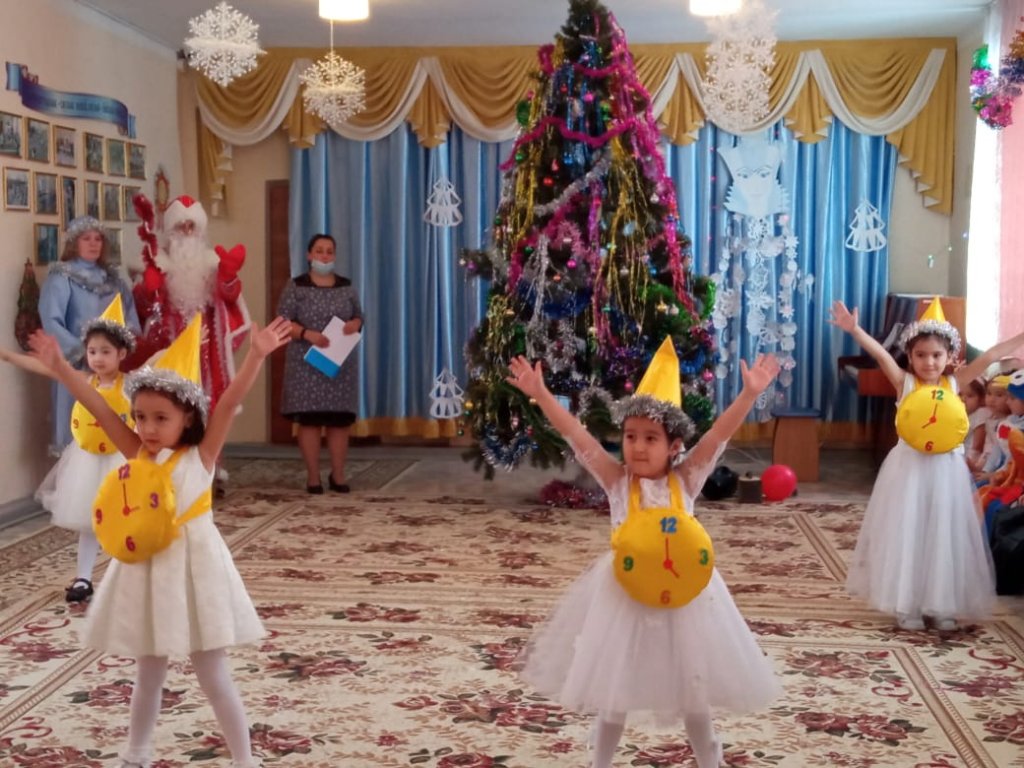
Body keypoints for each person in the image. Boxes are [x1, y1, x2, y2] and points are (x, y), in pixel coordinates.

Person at [28, 312, 291, 768]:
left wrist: (256, 355)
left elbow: (229, 401)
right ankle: (137, 754)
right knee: (148, 673)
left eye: (160, 418)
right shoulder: (135, 450)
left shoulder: (202, 456)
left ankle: (245, 760)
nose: (147, 428)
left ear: (187, 418)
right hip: (148, 573)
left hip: (196, 574)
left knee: (213, 674)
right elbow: (99, 407)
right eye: (140, 417)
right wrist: (62, 369)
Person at [508, 338, 782, 768]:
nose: (637, 446)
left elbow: (717, 436)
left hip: (686, 601)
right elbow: (578, 437)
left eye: (651, 438)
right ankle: (600, 762)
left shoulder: (687, 479)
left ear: (674, 446)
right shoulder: (618, 481)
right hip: (626, 598)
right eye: (630, 436)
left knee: (693, 688)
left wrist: (748, 394)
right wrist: (541, 394)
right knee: (614, 690)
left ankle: (709, 755)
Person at [830, 297, 1024, 631]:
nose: (929, 362)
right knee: (911, 529)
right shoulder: (904, 383)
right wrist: (855, 330)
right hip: (910, 469)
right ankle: (908, 605)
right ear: (910, 356)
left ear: (950, 357)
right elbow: (880, 354)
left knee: (943, 531)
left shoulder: (955, 383)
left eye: (936, 355)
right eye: (920, 355)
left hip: (946, 470)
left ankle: (942, 602)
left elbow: (992, 355)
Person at [1, 295, 135, 603]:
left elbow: (158, 366)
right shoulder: (85, 380)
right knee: (90, 520)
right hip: (87, 461)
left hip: (120, 461)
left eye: (106, 352)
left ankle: (125, 576)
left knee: (125, 519)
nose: (97, 358)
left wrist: (178, 348)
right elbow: (47, 369)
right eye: (92, 351)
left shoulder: (130, 384)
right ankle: (83, 577)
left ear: (121, 353)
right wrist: (7, 356)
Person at [128, 194, 250, 413]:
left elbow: (229, 300)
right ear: (170, 231)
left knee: (205, 408)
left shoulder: (211, 263)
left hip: (204, 349)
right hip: (166, 347)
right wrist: (148, 289)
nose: (186, 231)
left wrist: (228, 277)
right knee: (166, 405)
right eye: (180, 226)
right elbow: (140, 312)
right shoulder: (157, 263)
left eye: (191, 225)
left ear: (200, 229)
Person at [38, 216, 139, 454]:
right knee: (78, 424)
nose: (93, 244)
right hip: (77, 365)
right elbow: (51, 320)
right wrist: (84, 352)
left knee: (115, 422)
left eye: (98, 239)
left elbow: (130, 317)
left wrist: (123, 348)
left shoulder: (114, 280)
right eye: (86, 239)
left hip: (113, 367)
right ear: (74, 243)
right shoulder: (61, 278)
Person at [275, 234, 363, 493]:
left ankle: (338, 475)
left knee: (339, 422)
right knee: (310, 421)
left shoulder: (346, 287)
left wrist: (355, 324)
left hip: (339, 366)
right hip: (306, 365)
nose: (324, 256)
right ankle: (313, 477)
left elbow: (359, 315)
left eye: (329, 251)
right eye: (319, 250)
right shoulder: (296, 286)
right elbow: (283, 321)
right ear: (309, 255)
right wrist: (307, 334)